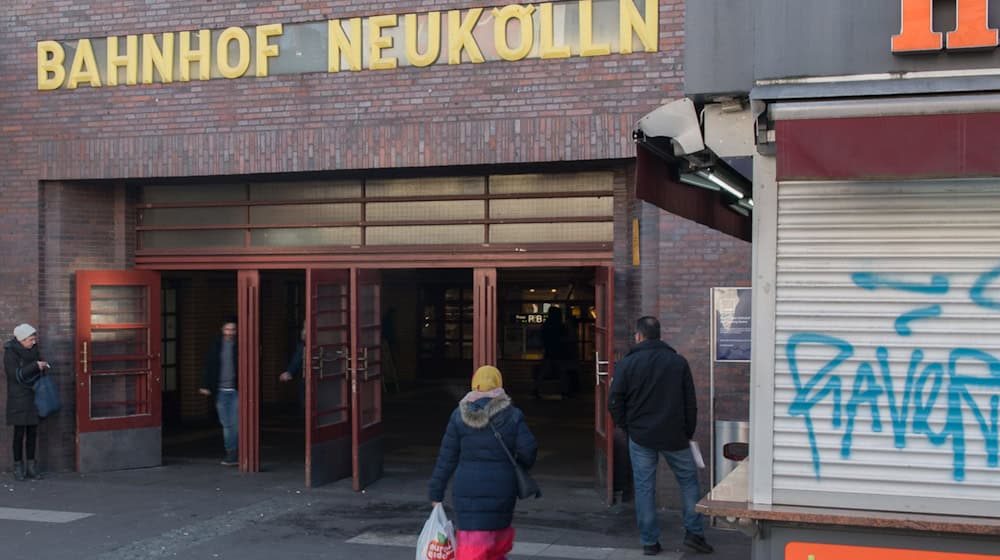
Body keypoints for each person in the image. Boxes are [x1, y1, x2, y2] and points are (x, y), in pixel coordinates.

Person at [607, 316, 713, 555]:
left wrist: (627, 427)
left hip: (641, 436)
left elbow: (614, 401)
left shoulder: (627, 364)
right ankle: (694, 534)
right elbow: (690, 403)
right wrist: (687, 432)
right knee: (688, 483)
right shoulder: (677, 362)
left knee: (644, 488)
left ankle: (649, 542)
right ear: (659, 335)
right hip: (675, 435)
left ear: (639, 336)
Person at [429, 365, 538, 560]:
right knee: (496, 546)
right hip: (502, 488)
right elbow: (528, 450)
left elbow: (446, 458)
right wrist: (515, 465)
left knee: (473, 548)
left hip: (467, 491)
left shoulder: (458, 416)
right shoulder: (512, 415)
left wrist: (436, 492)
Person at [4, 323, 50, 481]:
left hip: (34, 396)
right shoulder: (10, 353)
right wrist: (35, 366)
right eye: (30, 339)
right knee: (19, 433)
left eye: (34, 339)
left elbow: (39, 363)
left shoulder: (34, 350)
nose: (33, 342)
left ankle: (31, 467)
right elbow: (14, 375)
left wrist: (43, 366)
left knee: (32, 432)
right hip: (18, 398)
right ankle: (18, 467)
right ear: (22, 340)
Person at [199, 317, 239, 466]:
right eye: (227, 329)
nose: (230, 332)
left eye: (233, 329)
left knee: (235, 423)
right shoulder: (216, 345)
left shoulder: (241, 345)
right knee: (226, 424)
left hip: (236, 391)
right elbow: (209, 366)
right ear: (222, 330)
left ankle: (233, 453)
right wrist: (205, 385)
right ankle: (231, 452)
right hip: (220, 391)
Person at [278, 324, 305, 416]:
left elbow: (296, 360)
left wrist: (289, 372)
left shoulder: (304, 346)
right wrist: (289, 372)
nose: (303, 332)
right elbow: (296, 360)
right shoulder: (302, 346)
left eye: (305, 328)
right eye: (303, 328)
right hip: (305, 379)